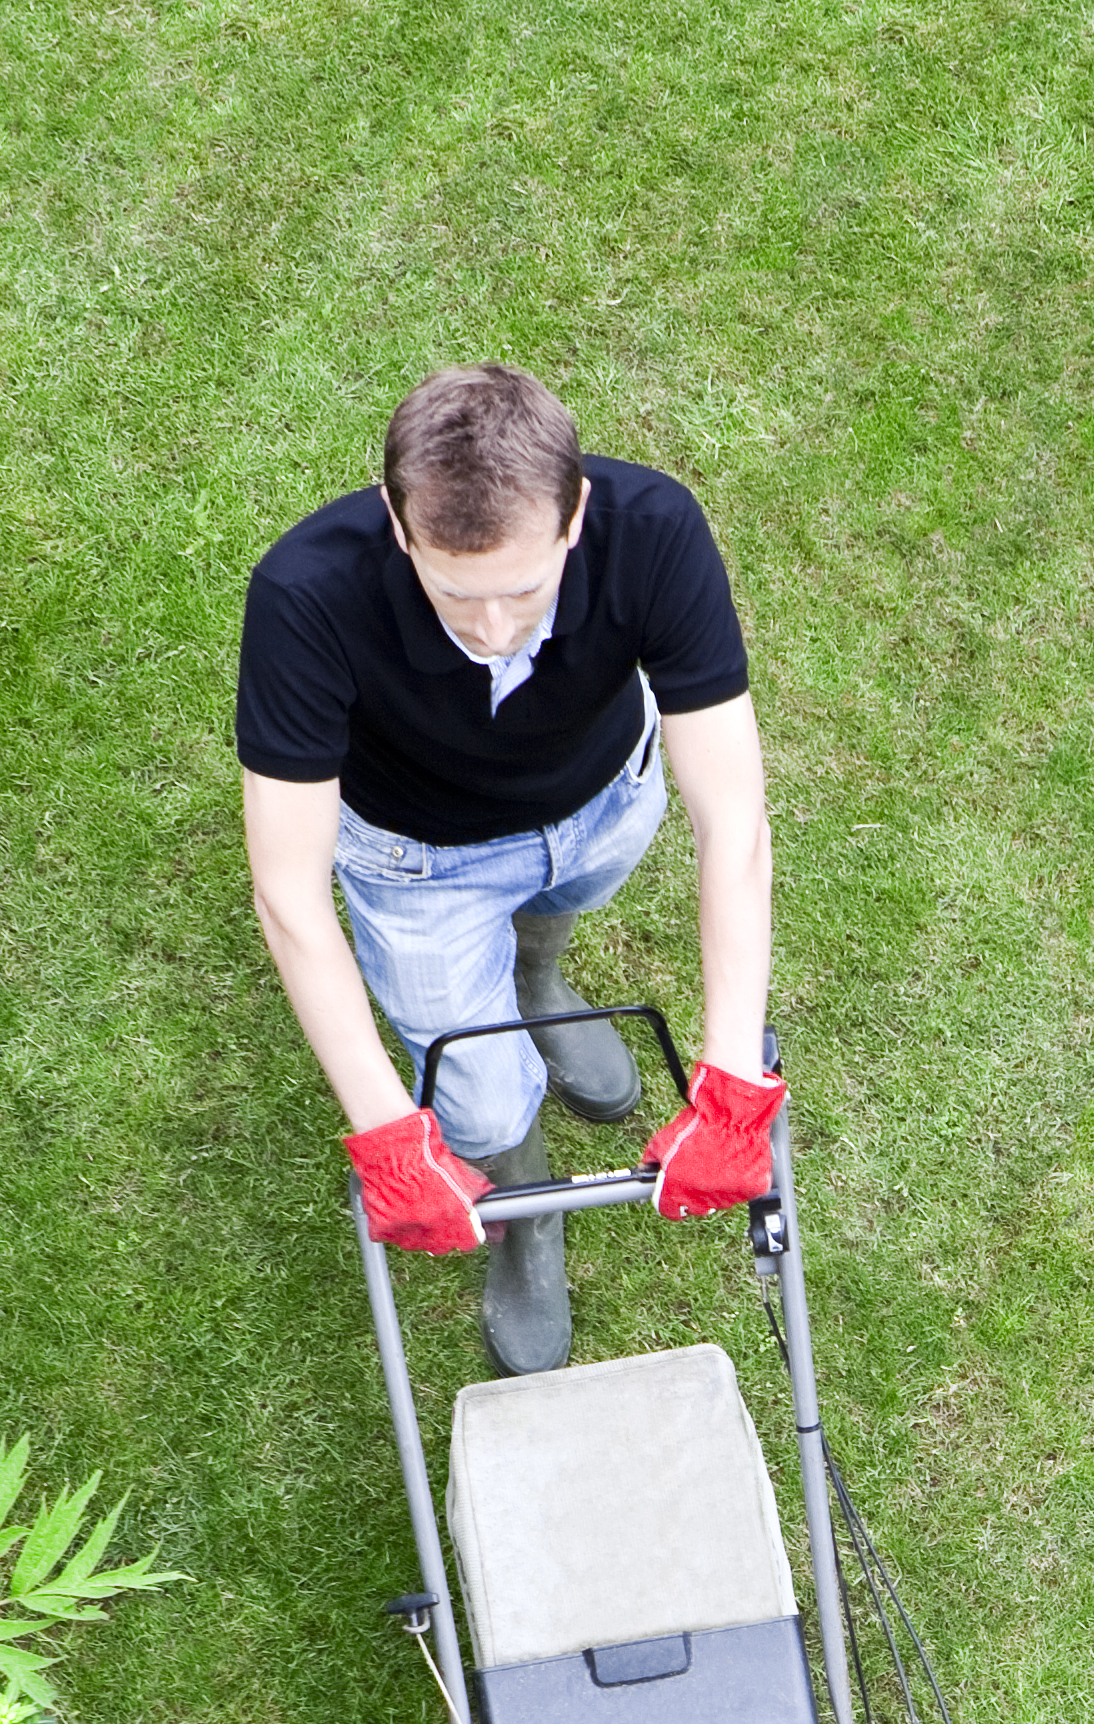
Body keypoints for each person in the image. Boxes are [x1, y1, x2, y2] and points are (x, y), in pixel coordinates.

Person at [233, 364, 787, 1375]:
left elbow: (734, 819)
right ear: (402, 531)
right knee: (480, 1108)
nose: (491, 627)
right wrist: (387, 1136)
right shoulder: (304, 595)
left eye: (524, 589)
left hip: (601, 804)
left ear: (574, 517)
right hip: (418, 862)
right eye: (456, 592)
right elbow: (287, 892)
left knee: (567, 901)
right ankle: (530, 1223)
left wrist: (735, 1079)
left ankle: (536, 978)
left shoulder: (655, 530)